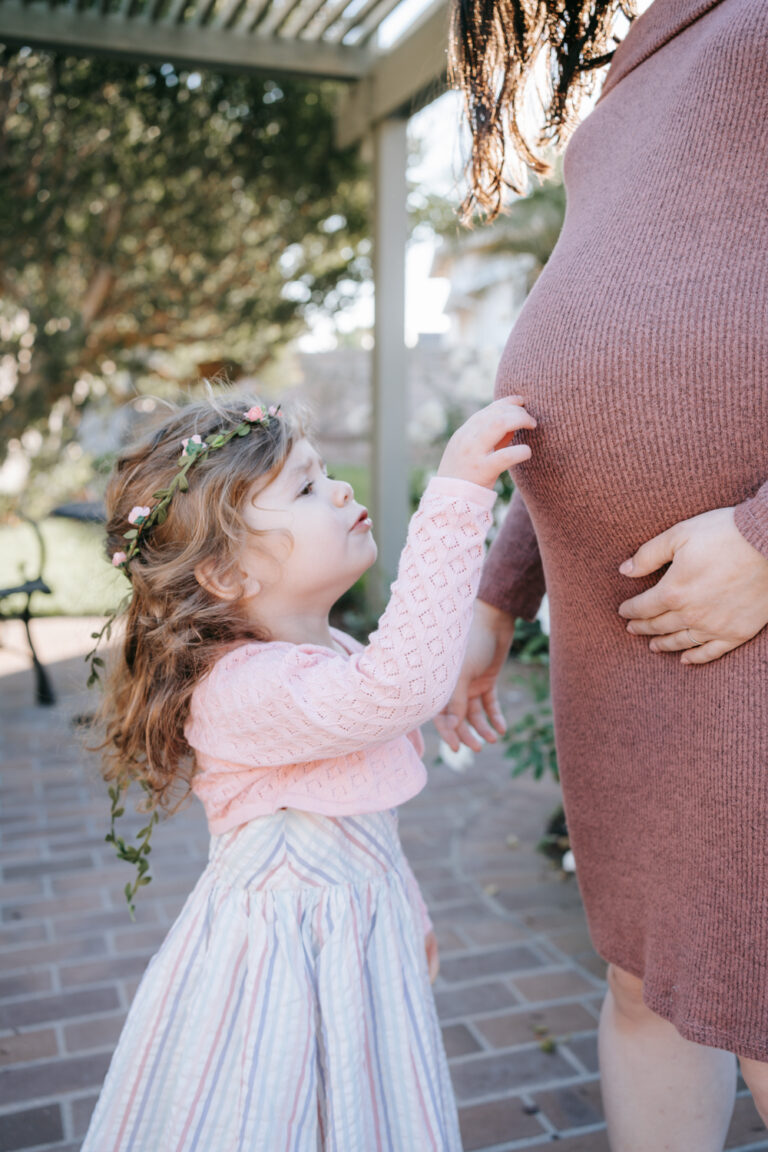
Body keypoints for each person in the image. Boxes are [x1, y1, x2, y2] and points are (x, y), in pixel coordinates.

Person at [436, 0, 768, 1149]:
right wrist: (499, 588)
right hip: (611, 627)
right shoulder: (647, 52)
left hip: (745, 611)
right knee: (646, 977)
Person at [80, 390, 536, 1151]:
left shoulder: (329, 659)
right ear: (226, 574)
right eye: (305, 488)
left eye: (324, 474)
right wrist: (455, 493)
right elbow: (399, 689)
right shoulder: (235, 689)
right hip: (274, 985)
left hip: (358, 955)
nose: (342, 489)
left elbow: (361, 821)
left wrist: (410, 911)